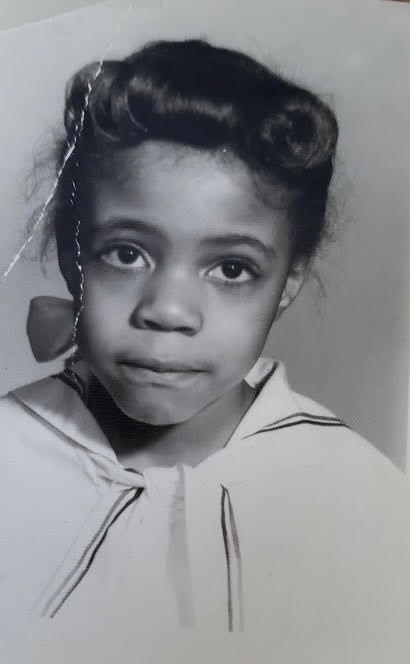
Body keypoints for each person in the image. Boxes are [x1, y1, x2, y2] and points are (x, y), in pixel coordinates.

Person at [1, 39, 410, 655]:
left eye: (231, 269)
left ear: (289, 280)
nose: (168, 311)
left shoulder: (360, 497)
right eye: (126, 254)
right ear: (71, 255)